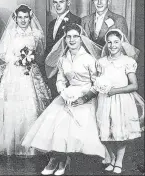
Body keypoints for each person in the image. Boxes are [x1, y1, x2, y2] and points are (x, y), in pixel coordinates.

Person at [22, 23, 105, 175]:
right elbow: (60, 80)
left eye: (75, 37)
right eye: (68, 37)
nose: (72, 40)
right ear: (65, 39)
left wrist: (85, 97)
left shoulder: (89, 59)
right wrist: (63, 92)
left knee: (70, 123)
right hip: (68, 94)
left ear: (81, 39)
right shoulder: (63, 59)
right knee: (55, 120)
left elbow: (97, 83)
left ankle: (61, 159)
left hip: (86, 95)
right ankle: (57, 159)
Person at [0, 4, 52, 156]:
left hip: (30, 72)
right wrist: (17, 59)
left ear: (30, 17)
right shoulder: (11, 33)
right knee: (13, 106)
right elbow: (2, 54)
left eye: (26, 17)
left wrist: (29, 59)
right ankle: (13, 143)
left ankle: (30, 144)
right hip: (13, 73)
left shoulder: (37, 34)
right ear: (16, 18)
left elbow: (40, 53)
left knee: (31, 104)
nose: (23, 20)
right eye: (20, 17)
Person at [95, 29, 144, 174]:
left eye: (116, 42)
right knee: (105, 132)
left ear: (121, 43)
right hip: (104, 100)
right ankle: (113, 156)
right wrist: (100, 86)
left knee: (120, 132)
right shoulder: (101, 62)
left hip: (121, 100)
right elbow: (98, 81)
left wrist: (115, 91)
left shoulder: (127, 62)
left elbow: (134, 85)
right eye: (109, 42)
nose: (112, 45)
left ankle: (119, 161)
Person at [46, 0, 81, 98]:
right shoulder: (52, 23)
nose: (58, 5)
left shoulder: (76, 20)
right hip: (52, 67)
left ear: (68, 3)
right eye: (55, 2)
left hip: (67, 68)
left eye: (61, 2)